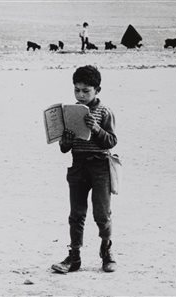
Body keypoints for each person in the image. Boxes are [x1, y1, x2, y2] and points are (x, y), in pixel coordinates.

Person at [51, 65, 118, 273]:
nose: (80, 95)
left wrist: (96, 129)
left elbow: (111, 141)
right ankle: (74, 256)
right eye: (76, 90)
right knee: (76, 213)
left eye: (86, 90)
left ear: (97, 90)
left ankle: (106, 251)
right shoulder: (70, 113)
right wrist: (66, 140)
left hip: (100, 167)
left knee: (102, 213)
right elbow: (64, 148)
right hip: (78, 166)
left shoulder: (104, 111)